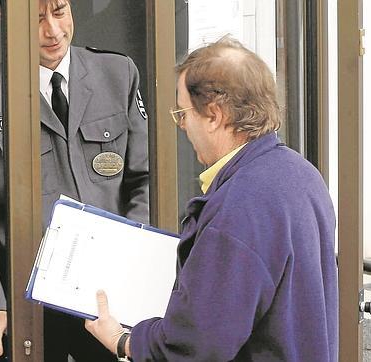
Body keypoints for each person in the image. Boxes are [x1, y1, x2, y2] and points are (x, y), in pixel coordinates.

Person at [85, 36, 338, 361]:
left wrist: (124, 341)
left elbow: (196, 346)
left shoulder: (240, 206)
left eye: (182, 113)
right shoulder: (301, 174)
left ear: (215, 115)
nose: (181, 126)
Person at [0, 0, 150, 360]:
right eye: (37, 18)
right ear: (5, 20)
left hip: (109, 292)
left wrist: (131, 263)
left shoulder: (118, 74)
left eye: (59, 11)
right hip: (28, 298)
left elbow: (144, 179)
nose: (52, 30)